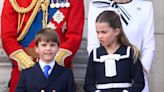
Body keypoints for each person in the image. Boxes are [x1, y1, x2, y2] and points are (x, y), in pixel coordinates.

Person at [1, 0, 84, 91]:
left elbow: (74, 37)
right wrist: (28, 65)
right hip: (23, 70)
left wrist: (51, 63)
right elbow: (7, 37)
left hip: (57, 75)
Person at [87, 0, 155, 92]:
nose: (100, 35)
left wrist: (140, 74)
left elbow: (148, 47)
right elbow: (93, 45)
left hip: (133, 76)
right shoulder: (97, 5)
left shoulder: (145, 7)